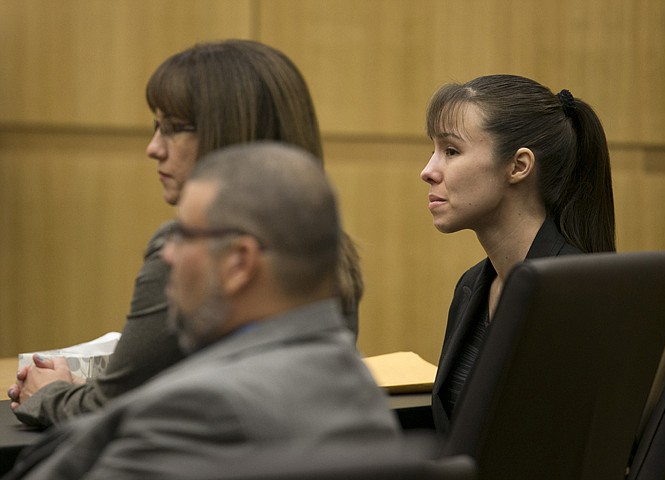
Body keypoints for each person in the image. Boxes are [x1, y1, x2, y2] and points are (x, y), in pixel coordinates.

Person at [7, 39, 363, 428]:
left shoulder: (194, 251)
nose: (153, 148)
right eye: (156, 126)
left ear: (231, 138)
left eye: (174, 129)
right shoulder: (328, 249)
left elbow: (108, 412)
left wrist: (48, 394)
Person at [4, 142, 401, 480]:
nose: (169, 254)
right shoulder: (355, 384)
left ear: (239, 263)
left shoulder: (199, 410)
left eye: (184, 235)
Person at [421, 74, 616, 434]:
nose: (428, 171)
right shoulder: (470, 287)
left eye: (451, 151)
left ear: (519, 166)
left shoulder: (577, 296)